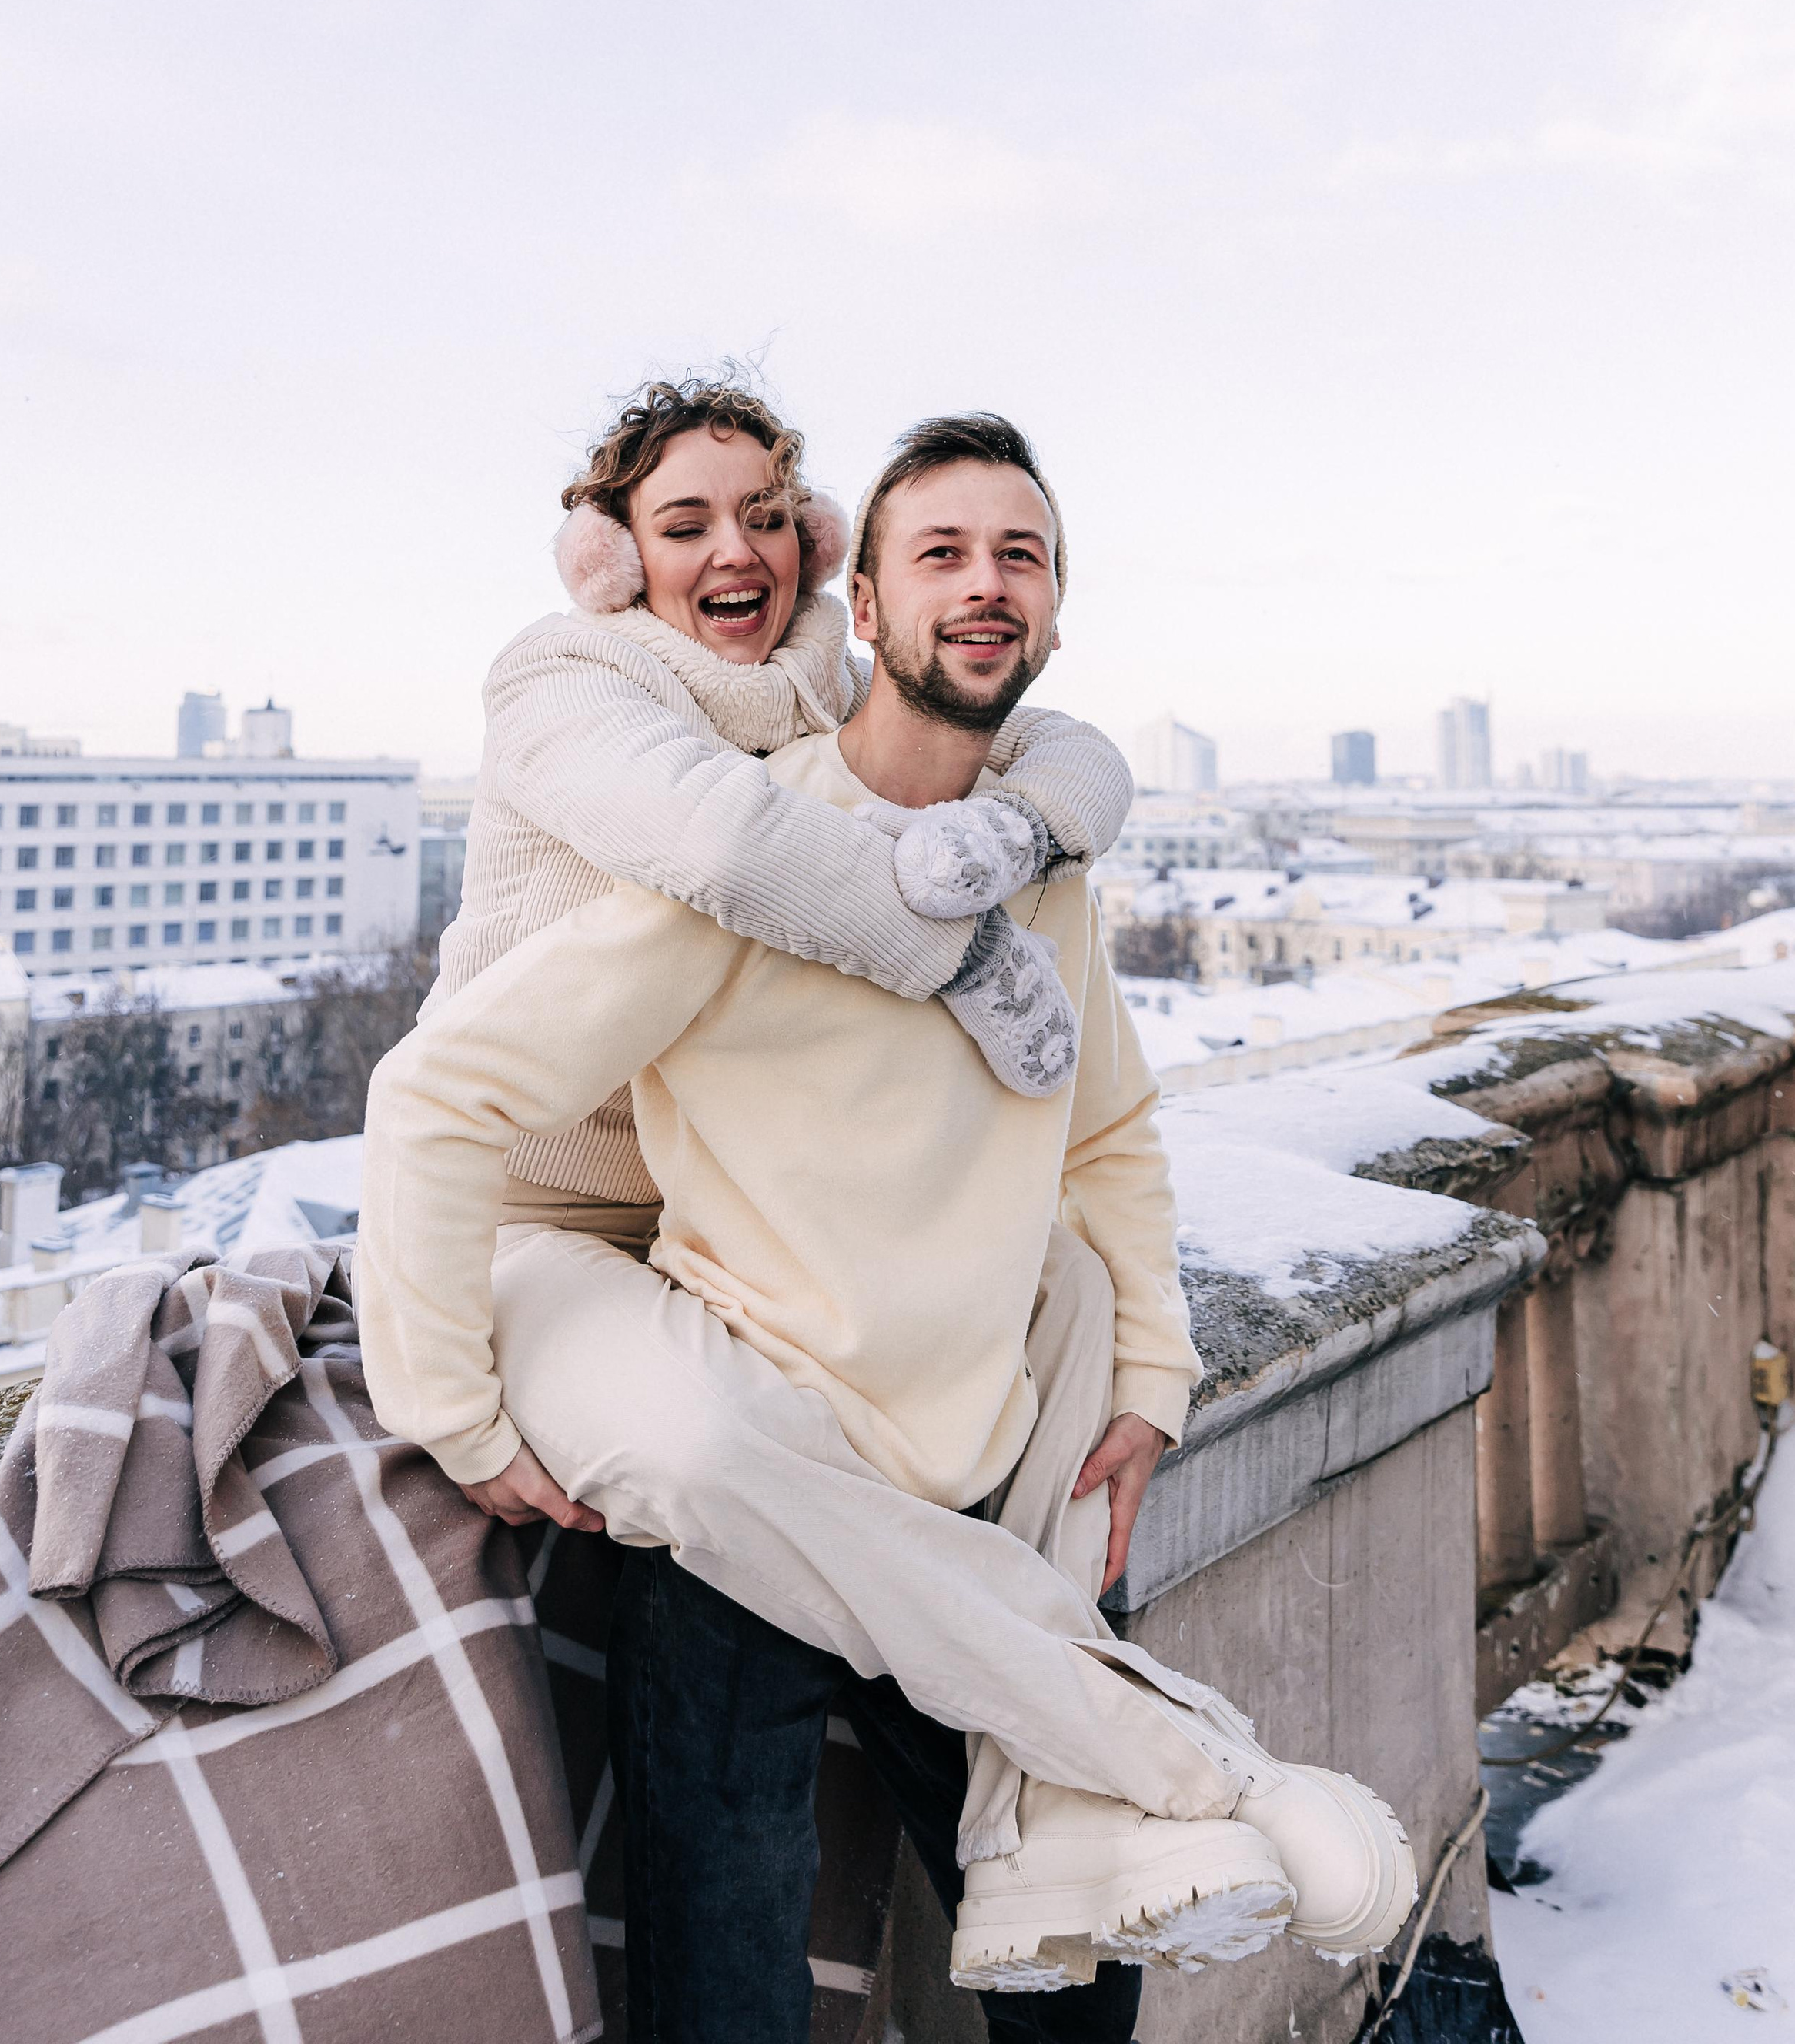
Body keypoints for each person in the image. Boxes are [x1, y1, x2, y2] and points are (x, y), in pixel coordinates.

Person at [359, 412, 1413, 2034]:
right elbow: (447, 1090)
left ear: (1053, 609)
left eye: (1021, 559)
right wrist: (445, 1400)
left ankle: (1137, 1777)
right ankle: (1197, 1759)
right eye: (942, 555)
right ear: (872, 605)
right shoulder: (685, 816)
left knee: (1068, 1952)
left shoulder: (1034, 844)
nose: (984, 588)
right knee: (730, 1970)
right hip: (705, 1394)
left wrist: (1147, 1374)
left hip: (965, 1442)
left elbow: (1110, 1120)